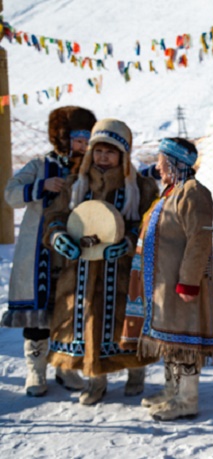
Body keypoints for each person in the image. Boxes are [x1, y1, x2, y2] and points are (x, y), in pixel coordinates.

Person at [42, 118, 159, 405]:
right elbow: (55, 218)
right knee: (88, 323)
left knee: (127, 322)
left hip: (122, 271)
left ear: (123, 154)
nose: (103, 157)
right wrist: (59, 237)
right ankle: (96, 380)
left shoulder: (141, 187)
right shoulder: (75, 184)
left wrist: (127, 243)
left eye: (110, 151)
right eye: (98, 151)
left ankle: (136, 372)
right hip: (81, 270)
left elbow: (147, 223)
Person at [2, 106, 96, 396]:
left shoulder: (91, 169)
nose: (84, 145)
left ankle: (65, 368)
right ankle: (36, 372)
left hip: (75, 251)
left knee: (69, 312)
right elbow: (10, 194)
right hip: (39, 252)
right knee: (38, 314)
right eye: (79, 139)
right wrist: (39, 186)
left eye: (87, 139)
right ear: (64, 138)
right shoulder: (39, 164)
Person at [121, 138, 213, 421]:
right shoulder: (170, 192)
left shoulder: (194, 193)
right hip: (163, 283)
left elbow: (199, 239)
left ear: (175, 164)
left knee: (184, 340)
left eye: (162, 162)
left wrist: (189, 281)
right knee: (170, 340)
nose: (158, 168)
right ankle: (172, 391)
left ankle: (187, 399)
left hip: (182, 284)